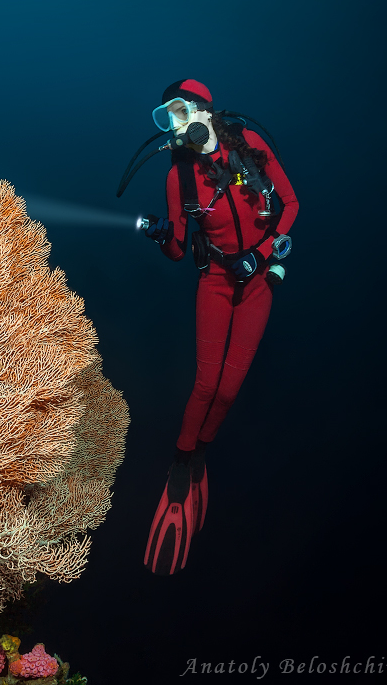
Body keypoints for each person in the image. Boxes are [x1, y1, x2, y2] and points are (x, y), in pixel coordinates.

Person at [140, 80, 299, 575]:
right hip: (213, 282)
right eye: (167, 117)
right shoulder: (179, 178)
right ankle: (182, 462)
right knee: (205, 383)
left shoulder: (250, 148)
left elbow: (291, 206)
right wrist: (163, 237)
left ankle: (203, 451)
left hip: (257, 285)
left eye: (181, 110)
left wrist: (264, 254)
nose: (176, 123)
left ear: (204, 109)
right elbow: (177, 252)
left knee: (229, 390)